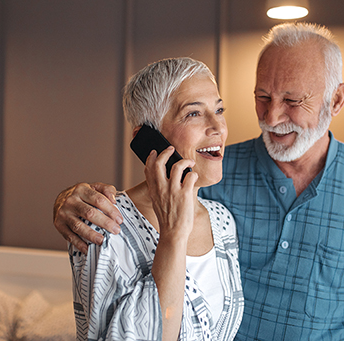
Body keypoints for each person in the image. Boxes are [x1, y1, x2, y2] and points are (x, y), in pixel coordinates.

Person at [55, 23, 344, 340]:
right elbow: (146, 212)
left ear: (336, 101)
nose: (273, 117)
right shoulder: (208, 176)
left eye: (293, 101)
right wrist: (67, 201)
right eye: (262, 96)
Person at [67, 57, 243, 341]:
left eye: (219, 110)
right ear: (148, 138)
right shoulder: (104, 223)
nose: (218, 128)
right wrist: (173, 235)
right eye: (194, 114)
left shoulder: (221, 221)